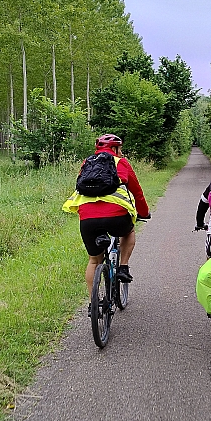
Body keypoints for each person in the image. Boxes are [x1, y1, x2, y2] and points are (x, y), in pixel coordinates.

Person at [63, 134, 151, 313]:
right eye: (120, 148)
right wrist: (144, 212)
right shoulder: (121, 162)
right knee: (128, 232)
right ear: (116, 149)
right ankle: (123, 268)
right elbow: (137, 191)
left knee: (94, 260)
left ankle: (93, 305)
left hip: (87, 218)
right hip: (117, 216)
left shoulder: (87, 163)